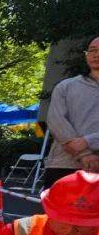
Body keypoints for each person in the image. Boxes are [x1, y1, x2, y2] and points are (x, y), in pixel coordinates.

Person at [44, 36, 99, 187]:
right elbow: (56, 121)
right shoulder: (66, 87)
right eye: (92, 50)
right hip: (63, 165)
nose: (96, 55)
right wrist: (84, 154)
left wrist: (87, 141)